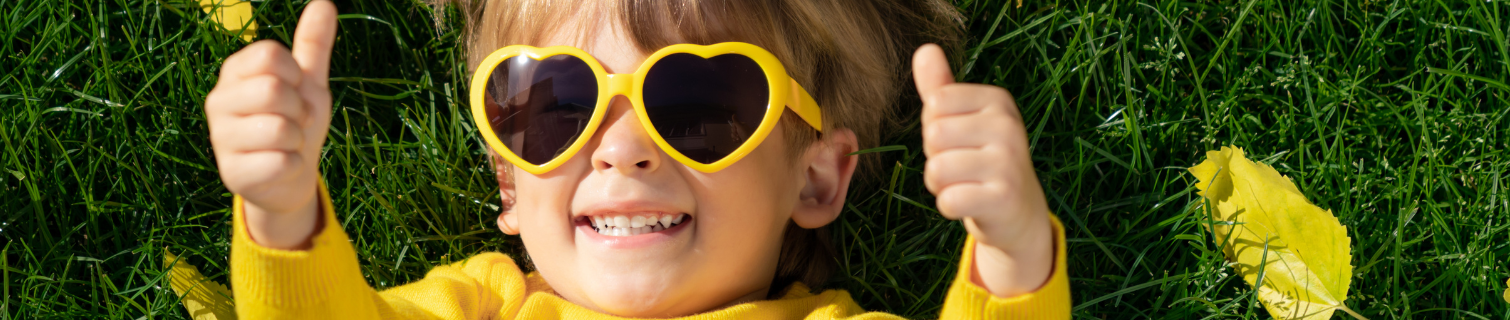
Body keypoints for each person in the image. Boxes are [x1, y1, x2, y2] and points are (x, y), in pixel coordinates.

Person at [201, 0, 1069, 318]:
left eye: (697, 108)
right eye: (557, 109)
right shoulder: (481, 309)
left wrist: (1012, 254)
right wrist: (283, 214)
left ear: (815, 177)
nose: (621, 150)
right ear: (509, 177)